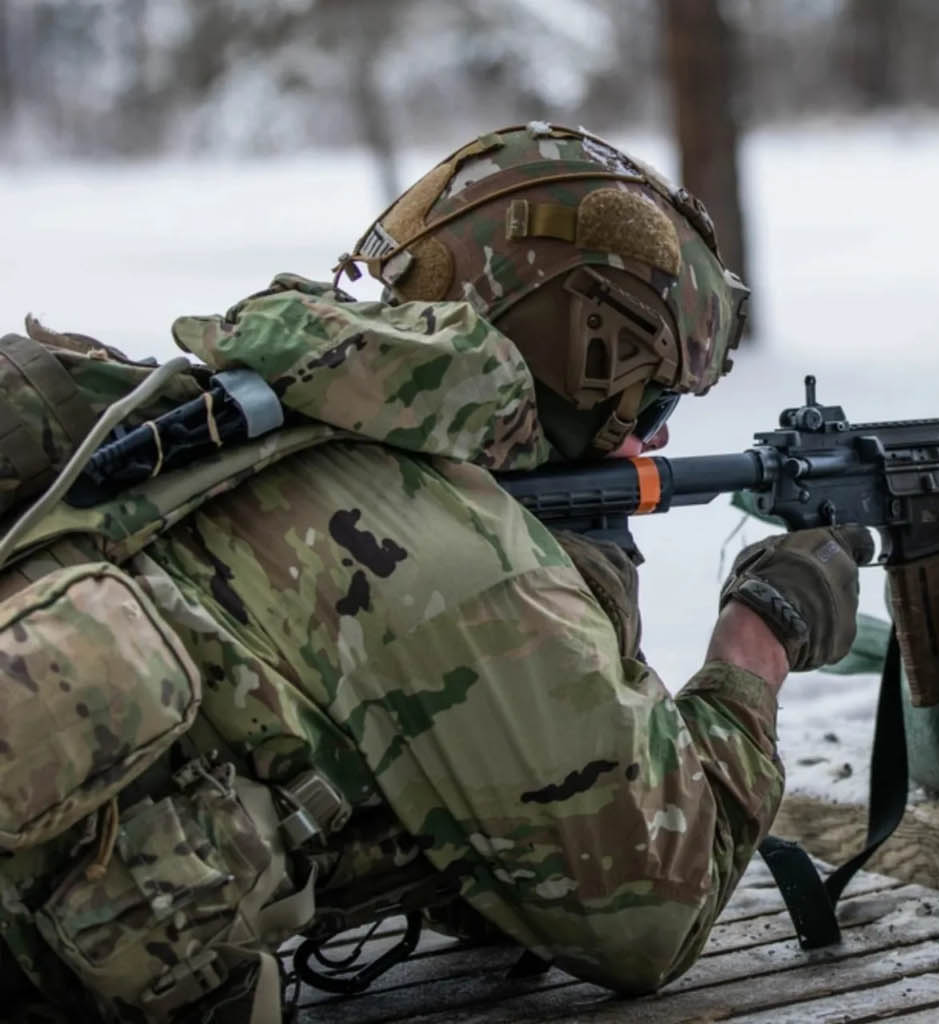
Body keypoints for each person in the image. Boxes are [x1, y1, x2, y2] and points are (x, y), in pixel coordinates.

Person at [0, 123, 872, 1023]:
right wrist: (759, 636)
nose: (651, 439)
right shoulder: (467, 566)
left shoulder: (248, 416)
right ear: (590, 353)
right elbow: (654, 910)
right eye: (650, 397)